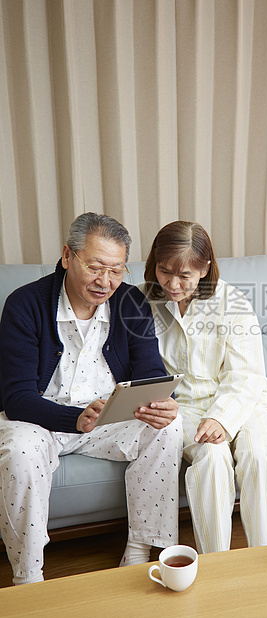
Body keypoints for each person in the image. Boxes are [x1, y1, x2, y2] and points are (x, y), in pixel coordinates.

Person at [0, 212, 182, 585]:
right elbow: (16, 397)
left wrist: (163, 400)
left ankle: (139, 550)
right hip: (40, 420)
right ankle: (28, 576)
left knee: (170, 425)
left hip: (105, 418)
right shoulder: (25, 304)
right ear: (68, 256)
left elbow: (149, 369)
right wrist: (74, 418)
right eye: (96, 267)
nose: (106, 281)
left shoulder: (130, 302)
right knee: (18, 449)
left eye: (116, 270)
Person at [143, 221, 267, 554]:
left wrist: (222, 418)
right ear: (155, 262)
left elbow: (246, 375)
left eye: (185, 277)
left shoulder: (231, 302)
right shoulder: (142, 300)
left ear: (204, 268)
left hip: (244, 399)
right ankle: (216, 562)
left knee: (260, 457)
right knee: (211, 457)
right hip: (185, 407)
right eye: (165, 272)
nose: (173, 285)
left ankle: (264, 560)